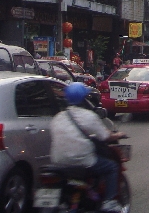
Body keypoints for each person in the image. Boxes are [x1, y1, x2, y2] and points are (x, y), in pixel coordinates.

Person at [50, 83, 126, 212]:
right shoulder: (88, 116)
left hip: (58, 162)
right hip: (82, 162)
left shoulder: (58, 117)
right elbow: (104, 136)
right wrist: (119, 135)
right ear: (84, 99)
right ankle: (109, 202)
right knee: (112, 167)